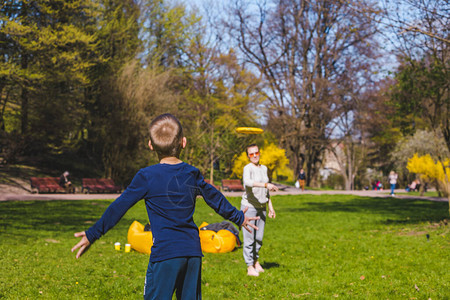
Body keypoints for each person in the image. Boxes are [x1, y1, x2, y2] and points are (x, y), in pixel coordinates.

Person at [71, 113, 259, 299]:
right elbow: (214, 198)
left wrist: (93, 234)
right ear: (183, 142)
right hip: (192, 254)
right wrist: (239, 217)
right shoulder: (192, 173)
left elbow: (119, 207)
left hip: (165, 255)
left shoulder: (146, 176)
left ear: (150, 145)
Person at [241, 144, 279, 277]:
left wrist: (271, 207)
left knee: (259, 238)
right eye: (251, 154)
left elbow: (266, 191)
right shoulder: (248, 168)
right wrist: (265, 185)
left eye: (256, 153)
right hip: (249, 207)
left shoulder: (264, 168)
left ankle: (256, 261)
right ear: (248, 156)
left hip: (262, 208)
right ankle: (249, 266)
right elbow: (248, 182)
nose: (255, 156)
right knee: (249, 238)